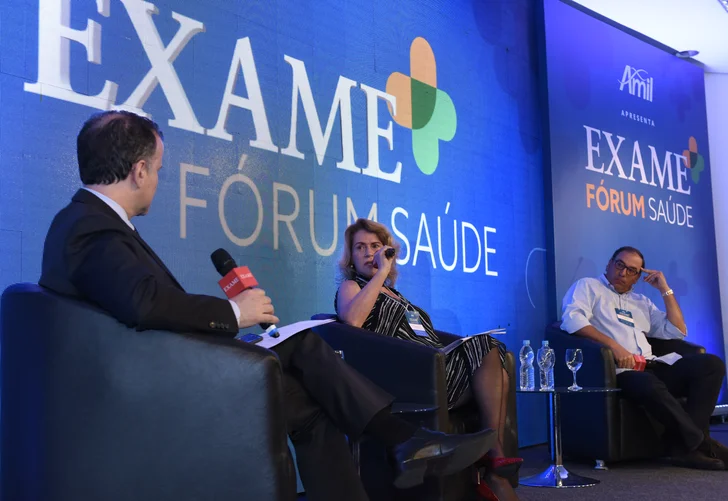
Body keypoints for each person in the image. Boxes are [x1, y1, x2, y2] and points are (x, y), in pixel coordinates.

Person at [38, 111, 498, 501]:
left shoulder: (90, 224)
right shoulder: (89, 226)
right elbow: (143, 302)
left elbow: (139, 304)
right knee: (304, 346)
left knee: (311, 398)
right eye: (158, 169)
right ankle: (405, 441)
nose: (158, 179)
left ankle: (405, 443)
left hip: (165, 368)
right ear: (138, 170)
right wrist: (236, 314)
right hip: (156, 385)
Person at [335, 219, 523, 501]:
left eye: (375, 246)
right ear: (351, 256)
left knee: (494, 356)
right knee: (486, 348)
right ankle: (494, 457)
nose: (368, 252)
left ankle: (491, 463)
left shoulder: (397, 295)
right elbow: (352, 320)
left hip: (436, 365)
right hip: (408, 377)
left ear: (387, 251)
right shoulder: (352, 286)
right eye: (360, 247)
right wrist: (379, 275)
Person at [560, 246, 728, 471]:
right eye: (619, 265)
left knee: (711, 365)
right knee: (648, 382)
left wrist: (665, 289)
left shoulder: (641, 302)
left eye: (632, 270)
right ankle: (703, 444)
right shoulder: (588, 286)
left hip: (652, 366)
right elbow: (572, 321)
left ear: (638, 277)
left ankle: (684, 448)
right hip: (619, 372)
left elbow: (676, 331)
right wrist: (614, 347)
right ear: (609, 264)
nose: (623, 273)